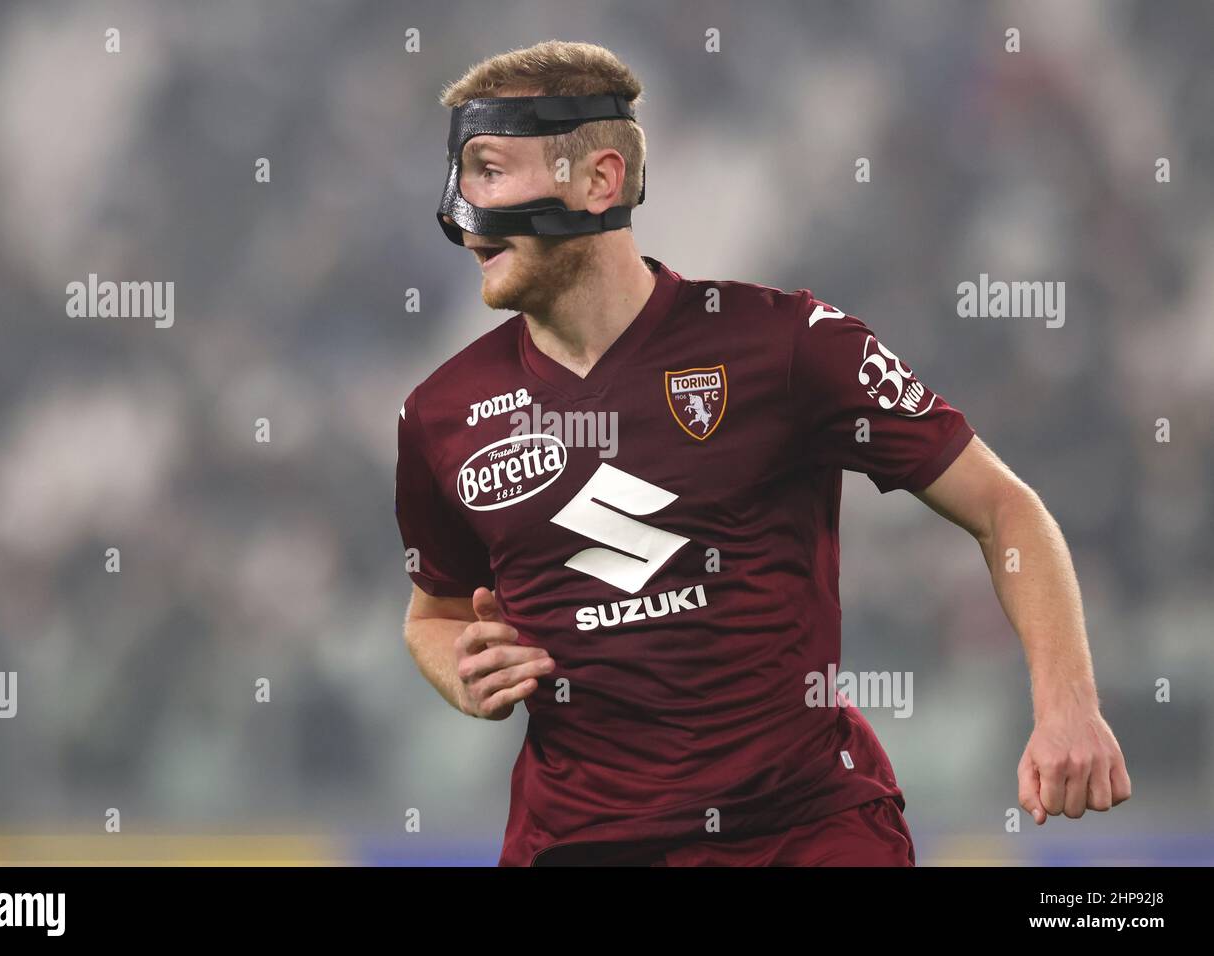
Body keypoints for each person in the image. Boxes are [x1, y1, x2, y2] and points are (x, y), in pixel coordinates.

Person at [394, 40, 1131, 866]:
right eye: (461, 176)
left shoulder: (788, 344)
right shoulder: (439, 414)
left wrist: (1067, 701)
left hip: (806, 832)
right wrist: (462, 671)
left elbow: (1005, 510)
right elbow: (438, 613)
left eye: (490, 170)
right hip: (576, 844)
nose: (463, 209)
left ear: (599, 181)